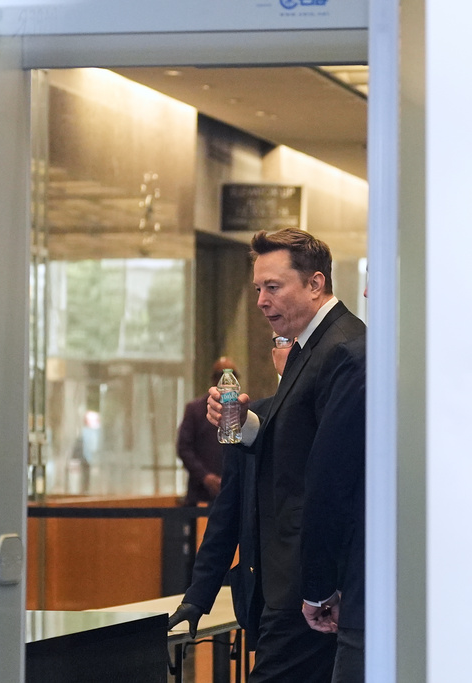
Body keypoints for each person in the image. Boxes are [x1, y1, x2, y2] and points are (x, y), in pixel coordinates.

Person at [168, 228, 365, 683]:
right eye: (258, 288)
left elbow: (328, 481)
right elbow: (291, 450)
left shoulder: (344, 351)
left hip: (309, 592)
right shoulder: (308, 351)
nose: (260, 300)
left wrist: (317, 590)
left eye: (272, 287)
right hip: (287, 588)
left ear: (315, 284)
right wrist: (247, 424)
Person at [299, 333, 366, 682]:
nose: (368, 291)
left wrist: (320, 587)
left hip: (370, 595)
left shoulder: (360, 358)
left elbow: (328, 480)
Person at [176, 357, 238, 507]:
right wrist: (205, 476)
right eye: (222, 376)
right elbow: (184, 448)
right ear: (214, 379)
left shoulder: (241, 411)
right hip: (200, 493)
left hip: (232, 492)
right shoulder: (195, 410)